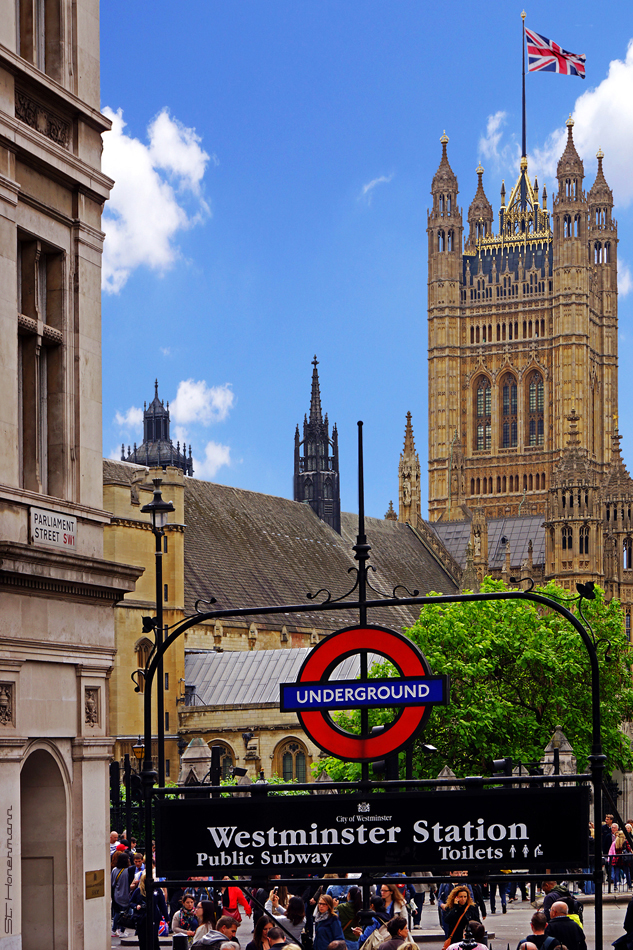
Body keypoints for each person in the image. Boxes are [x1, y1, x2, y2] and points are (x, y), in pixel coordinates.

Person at [131, 871, 169, 950]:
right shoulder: (138, 891)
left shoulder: (157, 890)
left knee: (153, 938)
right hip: (141, 918)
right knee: (142, 939)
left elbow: (162, 905)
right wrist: (136, 906)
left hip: (153, 917)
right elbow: (130, 902)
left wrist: (167, 918)